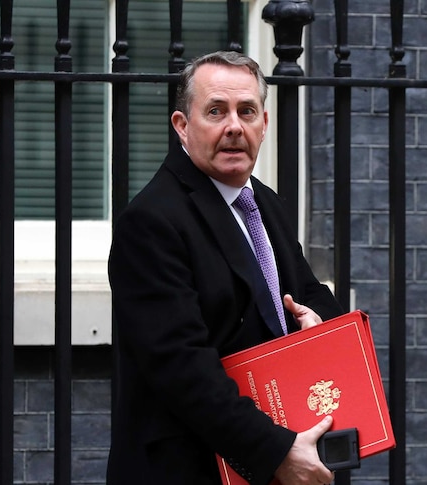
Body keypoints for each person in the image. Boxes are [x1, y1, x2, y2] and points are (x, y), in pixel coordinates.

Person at [107, 50, 345, 485]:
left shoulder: (263, 203)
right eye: (216, 111)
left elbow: (307, 293)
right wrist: (275, 453)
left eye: (246, 111)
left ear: (264, 124)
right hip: (191, 469)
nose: (234, 126)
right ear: (182, 126)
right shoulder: (151, 222)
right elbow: (183, 369)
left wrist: (317, 325)